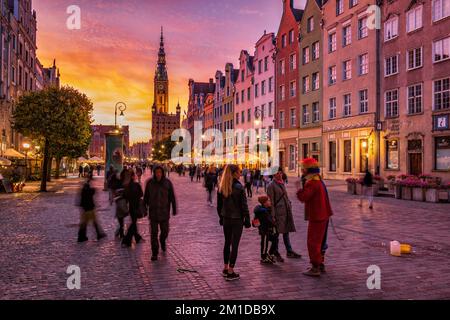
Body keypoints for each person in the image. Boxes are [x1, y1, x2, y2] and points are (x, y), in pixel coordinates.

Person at [296, 158, 333, 277]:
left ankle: (315, 267)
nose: (302, 171)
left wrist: (298, 188)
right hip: (324, 215)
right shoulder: (319, 181)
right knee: (321, 241)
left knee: (313, 242)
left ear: (308, 170)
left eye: (303, 169)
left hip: (317, 216)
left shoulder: (312, 183)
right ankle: (320, 264)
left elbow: (303, 197)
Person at [217, 165, 251, 281]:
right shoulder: (239, 187)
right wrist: (247, 219)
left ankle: (225, 268)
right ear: (234, 173)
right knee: (234, 245)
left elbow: (219, 206)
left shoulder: (222, 186)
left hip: (226, 218)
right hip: (237, 219)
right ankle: (231, 271)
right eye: (239, 172)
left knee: (227, 243)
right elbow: (244, 206)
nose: (240, 174)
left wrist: (221, 217)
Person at [267, 167, 301, 262]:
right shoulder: (271, 185)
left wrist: (289, 203)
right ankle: (275, 252)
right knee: (276, 234)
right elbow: (271, 202)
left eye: (280, 173)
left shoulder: (282, 183)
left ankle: (289, 251)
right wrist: (272, 216)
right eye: (277, 173)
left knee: (286, 232)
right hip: (278, 213)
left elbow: (285, 196)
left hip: (285, 211)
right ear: (273, 175)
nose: (279, 174)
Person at [144, 165, 177, 261]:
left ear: (162, 173)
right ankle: (155, 252)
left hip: (164, 212)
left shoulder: (167, 183)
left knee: (165, 232)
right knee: (153, 234)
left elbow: (172, 197)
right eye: (156, 172)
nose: (158, 174)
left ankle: (162, 240)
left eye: (160, 172)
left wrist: (174, 209)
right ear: (154, 173)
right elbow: (146, 197)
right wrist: (145, 208)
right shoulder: (150, 183)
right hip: (153, 212)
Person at [77, 174, 107, 242]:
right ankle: (83, 237)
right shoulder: (87, 190)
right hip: (89, 208)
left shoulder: (84, 189)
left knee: (89, 222)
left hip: (86, 208)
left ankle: (83, 236)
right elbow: (92, 191)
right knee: (90, 222)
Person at [122, 170, 144, 247]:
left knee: (134, 222)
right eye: (134, 175)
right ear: (132, 177)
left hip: (131, 207)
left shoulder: (126, 186)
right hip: (136, 206)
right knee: (134, 223)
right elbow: (141, 194)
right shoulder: (137, 185)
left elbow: (124, 196)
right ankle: (126, 241)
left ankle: (137, 238)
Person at [253, 195, 277, 264]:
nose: (270, 202)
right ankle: (263, 257)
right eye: (268, 201)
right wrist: (274, 224)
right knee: (264, 243)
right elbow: (269, 221)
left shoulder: (267, 209)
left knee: (275, 240)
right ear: (264, 203)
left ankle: (269, 254)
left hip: (268, 230)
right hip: (264, 230)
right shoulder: (262, 212)